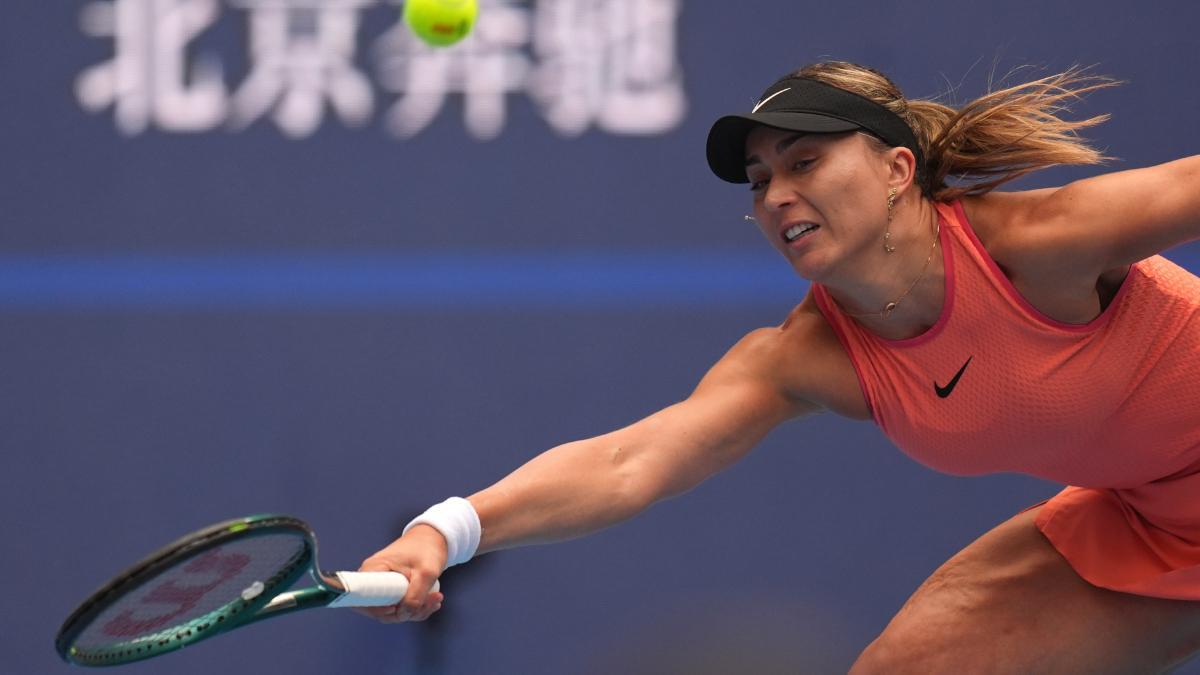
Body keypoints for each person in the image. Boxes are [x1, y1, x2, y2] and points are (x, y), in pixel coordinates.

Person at [357, 62, 1200, 672]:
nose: (776, 195)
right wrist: (445, 529)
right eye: (761, 180)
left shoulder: (1043, 243)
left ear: (898, 169)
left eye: (805, 162)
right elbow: (630, 461)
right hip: (1153, 523)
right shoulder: (808, 356)